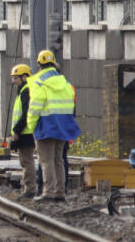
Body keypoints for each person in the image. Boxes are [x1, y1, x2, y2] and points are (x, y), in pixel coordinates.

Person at [27, 50, 80, 203]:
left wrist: (31, 126)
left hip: (46, 125)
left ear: (39, 64)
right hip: (63, 125)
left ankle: (48, 192)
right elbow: (71, 104)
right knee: (58, 160)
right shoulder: (65, 83)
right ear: (54, 63)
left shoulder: (39, 83)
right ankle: (60, 192)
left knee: (46, 160)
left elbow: (35, 107)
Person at [9, 63, 37, 199]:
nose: (13, 81)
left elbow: (26, 114)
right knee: (25, 161)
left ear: (24, 77)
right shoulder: (23, 91)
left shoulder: (26, 91)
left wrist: (16, 131)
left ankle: (30, 189)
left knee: (27, 161)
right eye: (13, 78)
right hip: (24, 132)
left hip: (25, 133)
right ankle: (28, 187)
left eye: (16, 78)